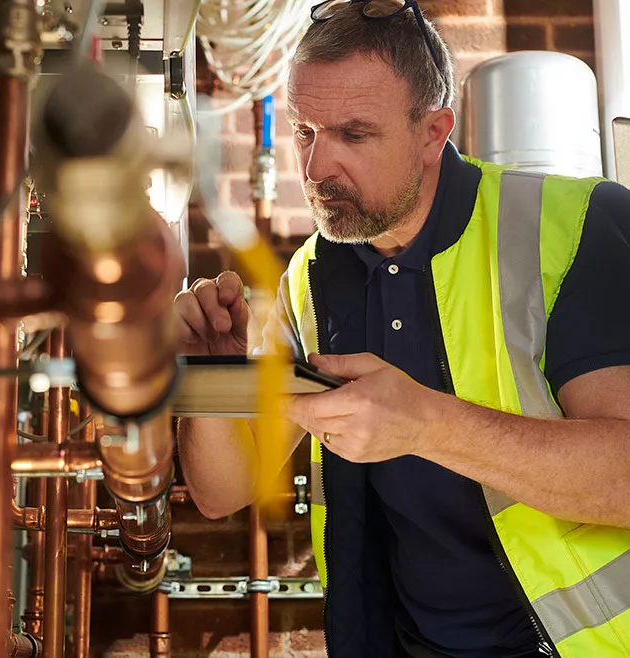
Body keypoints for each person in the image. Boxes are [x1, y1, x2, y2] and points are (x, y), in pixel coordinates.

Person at [174, 1, 630, 657]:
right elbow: (224, 492)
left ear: (432, 131)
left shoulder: (576, 227)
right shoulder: (310, 279)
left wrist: (425, 424)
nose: (315, 169)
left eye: (353, 135)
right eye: (305, 132)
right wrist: (211, 379)